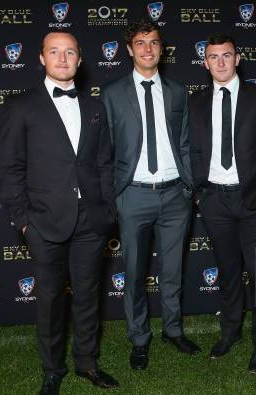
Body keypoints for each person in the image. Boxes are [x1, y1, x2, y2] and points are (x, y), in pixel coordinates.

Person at [0, 31, 119, 395]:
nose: (63, 58)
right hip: (44, 222)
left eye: (70, 52)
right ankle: (53, 371)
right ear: (41, 58)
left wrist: (107, 210)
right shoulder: (22, 106)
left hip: (90, 222)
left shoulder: (95, 107)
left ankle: (87, 363)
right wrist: (23, 220)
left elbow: (103, 164)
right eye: (55, 51)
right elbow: (10, 168)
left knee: (87, 297)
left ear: (80, 60)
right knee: (50, 301)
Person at [100, 20, 200, 371]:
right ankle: (139, 338)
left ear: (162, 48)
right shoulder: (111, 94)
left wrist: (189, 185)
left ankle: (173, 330)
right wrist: (114, 194)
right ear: (129, 49)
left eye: (154, 43)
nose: (147, 49)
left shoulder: (176, 91)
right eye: (140, 43)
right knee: (134, 272)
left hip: (175, 196)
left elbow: (185, 141)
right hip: (133, 196)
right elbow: (106, 150)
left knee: (172, 271)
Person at [189, 33, 256, 373]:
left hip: (254, 201)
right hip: (214, 200)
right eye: (213, 57)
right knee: (228, 273)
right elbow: (192, 151)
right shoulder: (196, 102)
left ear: (238, 58)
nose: (221, 62)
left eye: (226, 55)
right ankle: (230, 333)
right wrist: (199, 192)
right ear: (206, 62)